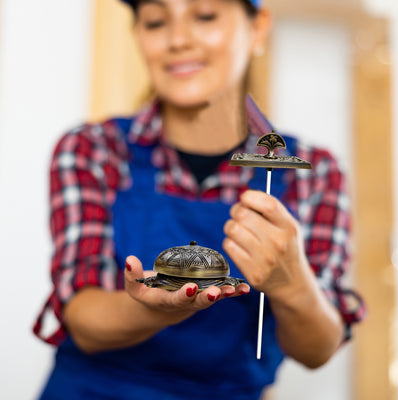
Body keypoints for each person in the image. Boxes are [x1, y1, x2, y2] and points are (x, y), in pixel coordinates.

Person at [33, 0, 365, 399]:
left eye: (205, 15)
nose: (177, 39)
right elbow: (82, 319)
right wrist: (153, 307)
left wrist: (292, 283)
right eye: (156, 22)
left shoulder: (311, 173)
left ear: (257, 28)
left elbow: (317, 349)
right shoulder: (93, 151)